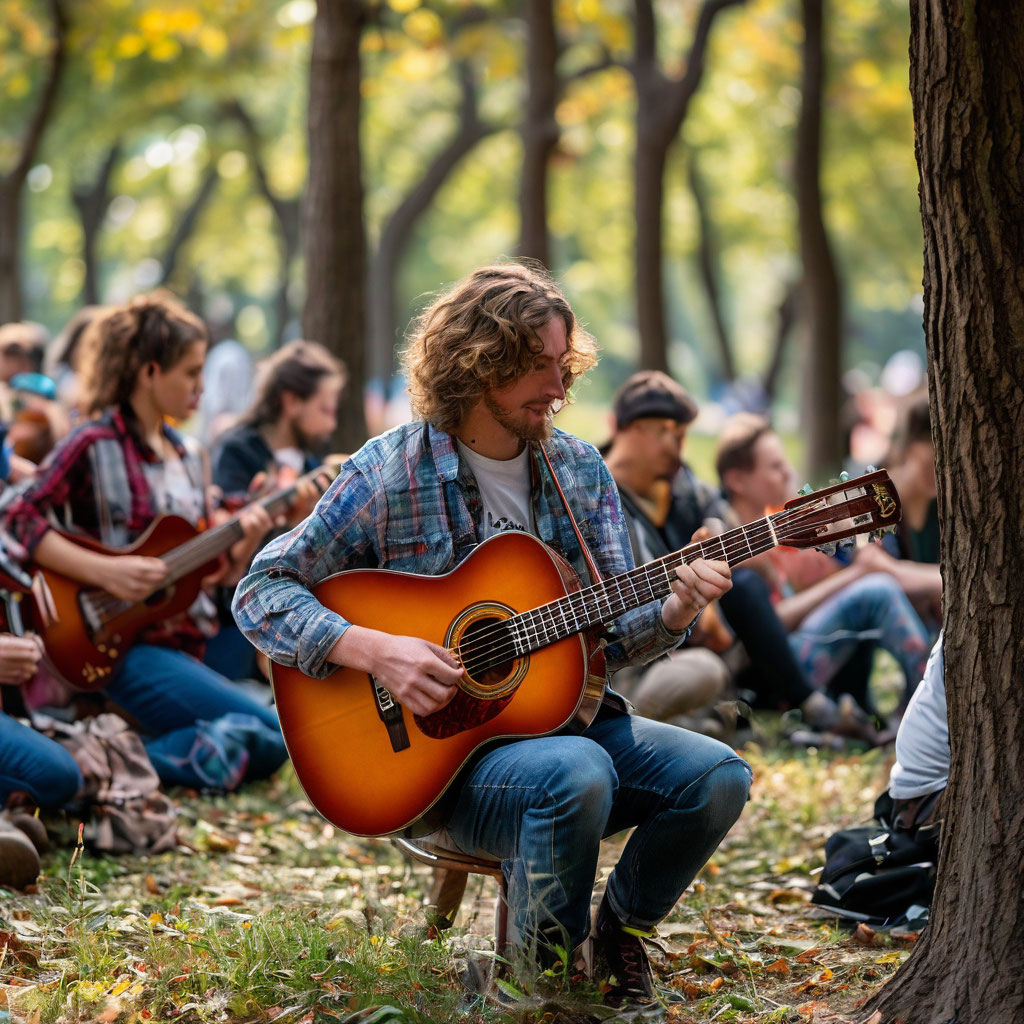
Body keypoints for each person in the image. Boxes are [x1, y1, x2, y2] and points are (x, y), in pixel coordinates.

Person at [233, 263, 751, 1003]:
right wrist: (377, 650)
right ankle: (535, 986)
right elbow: (260, 590)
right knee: (577, 771)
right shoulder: (390, 470)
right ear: (480, 363)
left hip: (570, 727)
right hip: (442, 764)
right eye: (538, 366)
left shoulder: (578, 471)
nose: (559, 386)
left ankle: (618, 938)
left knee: (718, 777)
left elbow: (612, 631)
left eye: (562, 363)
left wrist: (674, 609)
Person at [2, 291, 289, 791]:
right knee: (272, 733)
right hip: (113, 644)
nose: (201, 386)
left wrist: (248, 536)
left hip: (180, 643)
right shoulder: (92, 443)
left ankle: (123, 756)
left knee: (276, 735)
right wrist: (107, 572)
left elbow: (207, 576)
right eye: (190, 372)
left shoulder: (191, 455)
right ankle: (111, 763)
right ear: (148, 372)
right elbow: (19, 516)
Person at [603, 372, 874, 740]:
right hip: (619, 665)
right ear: (627, 429)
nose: (677, 446)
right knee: (702, 672)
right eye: (666, 431)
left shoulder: (685, 488)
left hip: (694, 642)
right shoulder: (590, 492)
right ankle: (686, 723)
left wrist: (714, 553)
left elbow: (727, 529)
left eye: (682, 434)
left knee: (740, 591)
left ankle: (743, 715)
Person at [716, 413, 932, 719]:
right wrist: (854, 576)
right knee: (877, 591)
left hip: (801, 657)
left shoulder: (774, 533)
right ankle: (928, 709)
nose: (788, 473)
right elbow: (772, 621)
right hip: (765, 676)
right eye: (775, 466)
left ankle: (909, 706)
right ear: (737, 479)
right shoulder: (724, 538)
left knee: (881, 591)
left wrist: (843, 551)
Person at [207, 340, 343, 680]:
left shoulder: (313, 466)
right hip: (231, 621)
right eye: (325, 410)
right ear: (292, 401)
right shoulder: (238, 451)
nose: (332, 424)